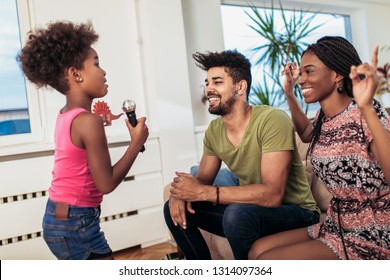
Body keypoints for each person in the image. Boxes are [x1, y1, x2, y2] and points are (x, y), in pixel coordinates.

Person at [163, 50, 320, 260]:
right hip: (253, 212)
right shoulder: (214, 131)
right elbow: (201, 181)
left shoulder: (272, 120)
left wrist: (204, 192)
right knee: (171, 208)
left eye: (217, 82)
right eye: (207, 83)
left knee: (237, 215)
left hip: (297, 213)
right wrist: (179, 193)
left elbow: (273, 195)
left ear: (240, 87)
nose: (209, 89)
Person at [248, 36, 390, 260]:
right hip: (337, 224)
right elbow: (306, 134)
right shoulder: (324, 116)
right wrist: (289, 92)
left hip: (373, 230)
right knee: (257, 249)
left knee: (268, 261)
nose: (302, 79)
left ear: (336, 75)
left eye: (309, 71)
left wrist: (367, 107)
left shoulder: (366, 111)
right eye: (301, 72)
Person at [17, 21, 149, 260]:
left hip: (57, 216)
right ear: (76, 74)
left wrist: (99, 120)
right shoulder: (88, 122)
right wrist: (136, 143)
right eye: (97, 64)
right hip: (76, 223)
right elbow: (106, 184)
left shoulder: (65, 114)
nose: (104, 71)